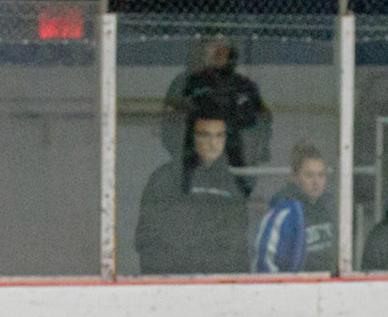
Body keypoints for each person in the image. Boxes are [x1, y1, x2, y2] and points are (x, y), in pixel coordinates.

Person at [134, 101, 250, 275]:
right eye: (205, 135)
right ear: (192, 138)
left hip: (222, 282)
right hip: (176, 280)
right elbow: (148, 239)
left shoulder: (233, 182)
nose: (213, 143)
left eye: (219, 136)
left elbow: (240, 241)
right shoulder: (167, 178)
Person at [160, 33, 272, 184]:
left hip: (236, 169)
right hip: (192, 168)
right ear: (203, 49)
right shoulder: (186, 84)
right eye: (214, 45)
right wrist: (181, 156)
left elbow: (262, 123)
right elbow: (169, 126)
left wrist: (253, 156)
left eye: (225, 46)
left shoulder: (245, 87)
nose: (220, 50)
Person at [252, 142, 336, 273]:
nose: (316, 182)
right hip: (296, 285)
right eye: (309, 175)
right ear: (294, 176)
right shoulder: (282, 213)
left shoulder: (331, 208)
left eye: (321, 175)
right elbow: (265, 264)